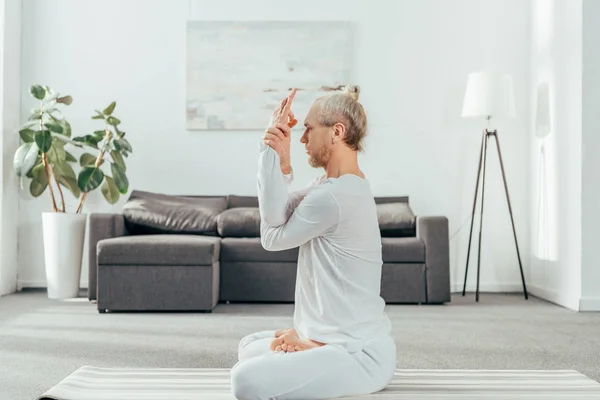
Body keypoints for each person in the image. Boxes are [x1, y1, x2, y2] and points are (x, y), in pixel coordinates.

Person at [230, 86, 396, 400]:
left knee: (244, 380)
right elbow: (276, 212)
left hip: (358, 354)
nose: (303, 138)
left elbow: (271, 236)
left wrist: (270, 151)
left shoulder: (334, 196)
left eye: (308, 128)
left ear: (337, 131)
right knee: (248, 346)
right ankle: (308, 344)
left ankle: (311, 347)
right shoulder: (331, 186)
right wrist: (281, 160)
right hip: (341, 342)